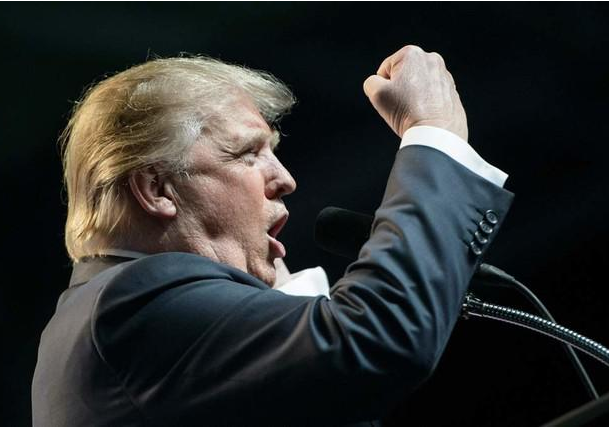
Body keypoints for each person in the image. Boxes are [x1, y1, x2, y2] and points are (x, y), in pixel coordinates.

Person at [32, 45, 513, 426]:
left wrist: (285, 308)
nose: (285, 179)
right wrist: (434, 134)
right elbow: (376, 339)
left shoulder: (111, 314)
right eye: (248, 153)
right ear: (157, 189)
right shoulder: (132, 304)